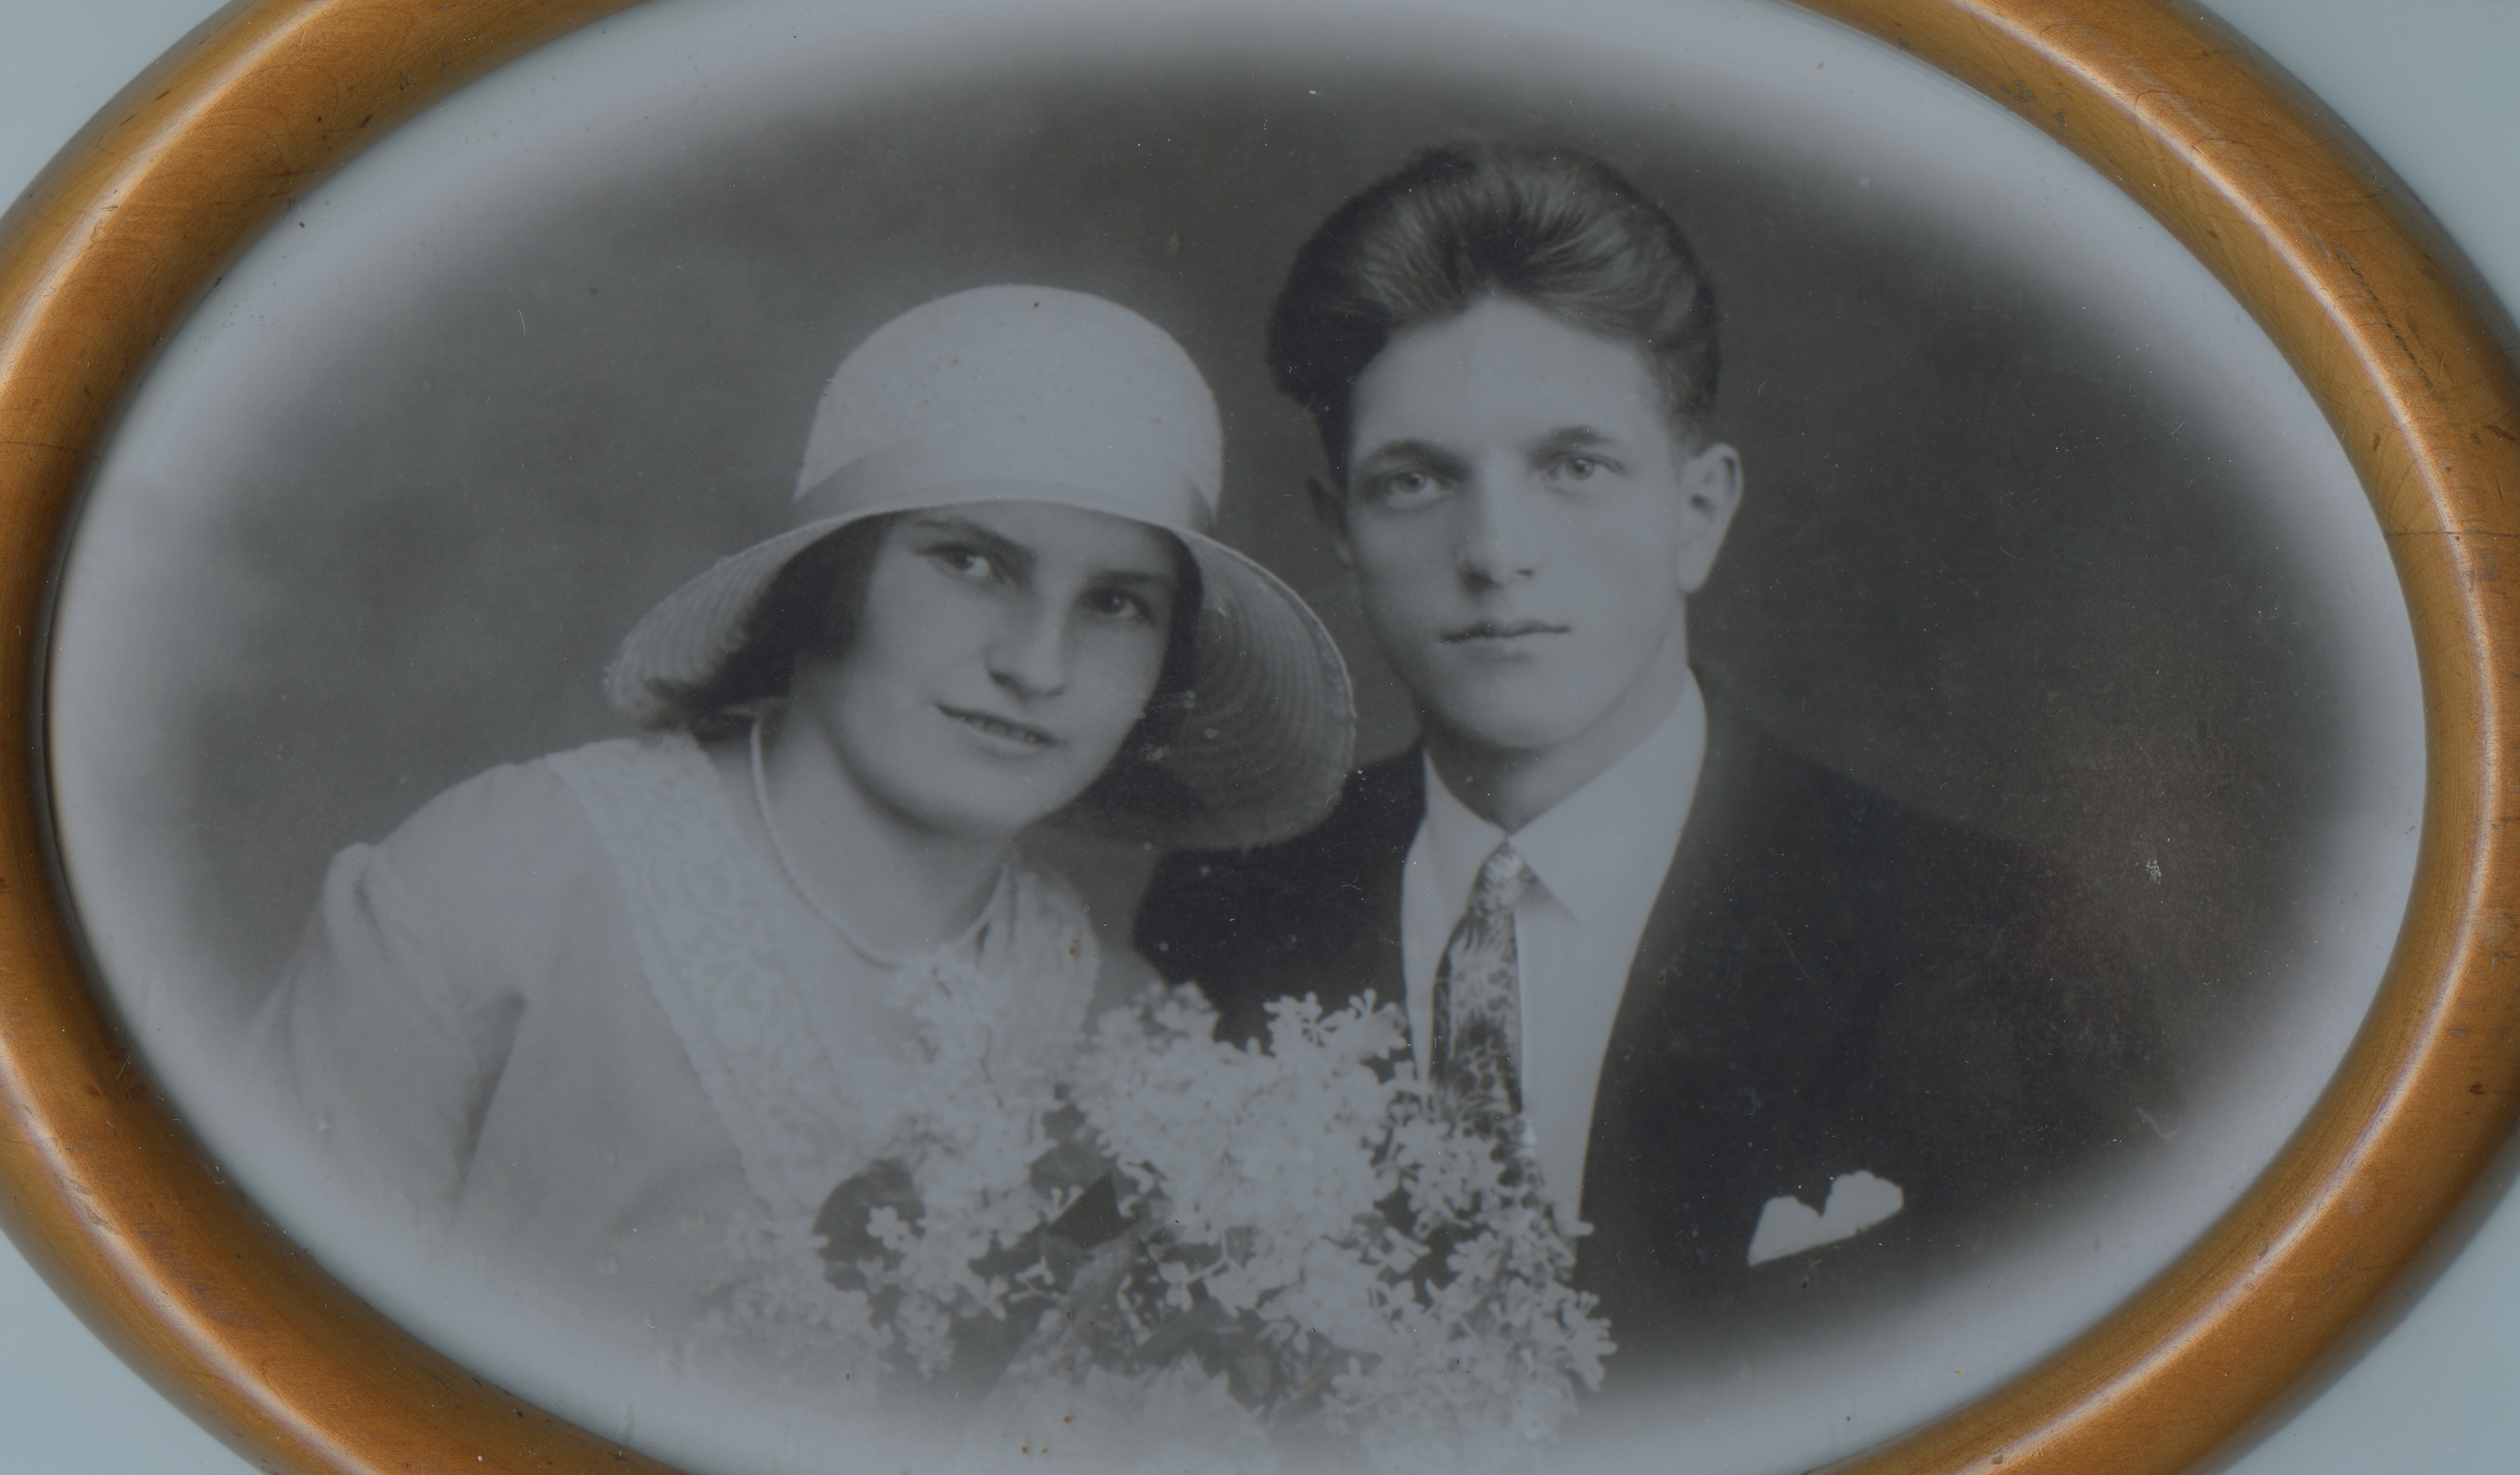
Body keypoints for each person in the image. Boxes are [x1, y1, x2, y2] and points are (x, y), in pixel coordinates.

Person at [1132, 145, 2175, 1382]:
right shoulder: (1223, 910)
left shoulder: (1989, 944)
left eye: (1573, 467)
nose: (1495, 551)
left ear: (1698, 512)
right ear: (1342, 536)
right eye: (1414, 481)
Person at [246, 285, 1355, 1375]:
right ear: (833, 577)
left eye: (1117, 603)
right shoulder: (506, 882)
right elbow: (273, 1361)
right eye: (970, 561)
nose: (1036, 663)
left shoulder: (1130, 1038)